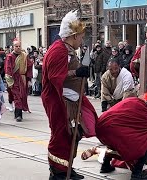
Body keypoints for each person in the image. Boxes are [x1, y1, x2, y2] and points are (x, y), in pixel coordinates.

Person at [41, 10, 98, 180]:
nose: (81, 40)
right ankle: (58, 171)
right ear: (72, 36)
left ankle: (67, 166)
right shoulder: (58, 51)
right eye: (80, 37)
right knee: (61, 134)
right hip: (59, 100)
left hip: (73, 98)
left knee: (78, 130)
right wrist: (76, 72)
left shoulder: (67, 49)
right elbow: (55, 77)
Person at [96, 87, 147, 180]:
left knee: (116, 139)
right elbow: (145, 134)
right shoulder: (146, 117)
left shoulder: (135, 101)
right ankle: (137, 174)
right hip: (111, 128)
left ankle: (105, 165)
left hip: (101, 126)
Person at [81, 138, 147, 178]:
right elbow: (131, 158)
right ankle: (96, 150)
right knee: (116, 159)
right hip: (137, 150)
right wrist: (144, 168)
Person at [5, 38, 33, 122]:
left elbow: (29, 67)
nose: (18, 47)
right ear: (13, 47)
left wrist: (28, 79)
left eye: (19, 46)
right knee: (17, 97)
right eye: (16, 46)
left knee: (22, 96)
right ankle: (18, 115)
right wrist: (9, 80)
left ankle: (18, 113)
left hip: (23, 79)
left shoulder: (24, 56)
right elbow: (8, 69)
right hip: (14, 79)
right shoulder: (10, 57)